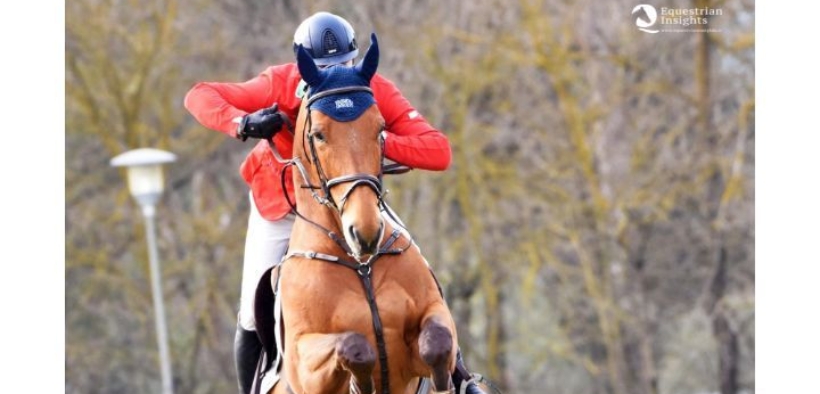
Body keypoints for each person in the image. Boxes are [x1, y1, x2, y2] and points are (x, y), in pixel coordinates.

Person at [184, 11, 485, 394]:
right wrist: (242, 122)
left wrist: (365, 140)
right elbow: (199, 95)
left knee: (420, 266)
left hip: (351, 196)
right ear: (304, 68)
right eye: (325, 69)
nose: (337, 77)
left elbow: (438, 151)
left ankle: (459, 378)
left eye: (343, 66)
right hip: (283, 206)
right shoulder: (281, 82)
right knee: (249, 311)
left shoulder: (370, 88)